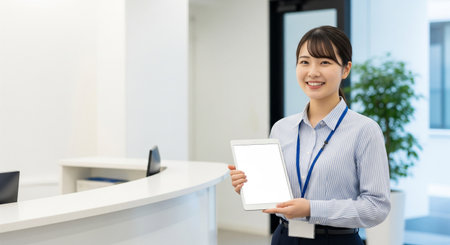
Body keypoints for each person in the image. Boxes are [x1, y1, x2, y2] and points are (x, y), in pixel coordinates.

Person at [228, 25, 390, 245]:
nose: (313, 72)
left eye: (324, 62)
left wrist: (312, 208)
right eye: (305, 62)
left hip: (336, 241)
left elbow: (376, 208)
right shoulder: (281, 128)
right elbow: (275, 193)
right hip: (284, 237)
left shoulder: (364, 131)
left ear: (345, 69)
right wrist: (250, 186)